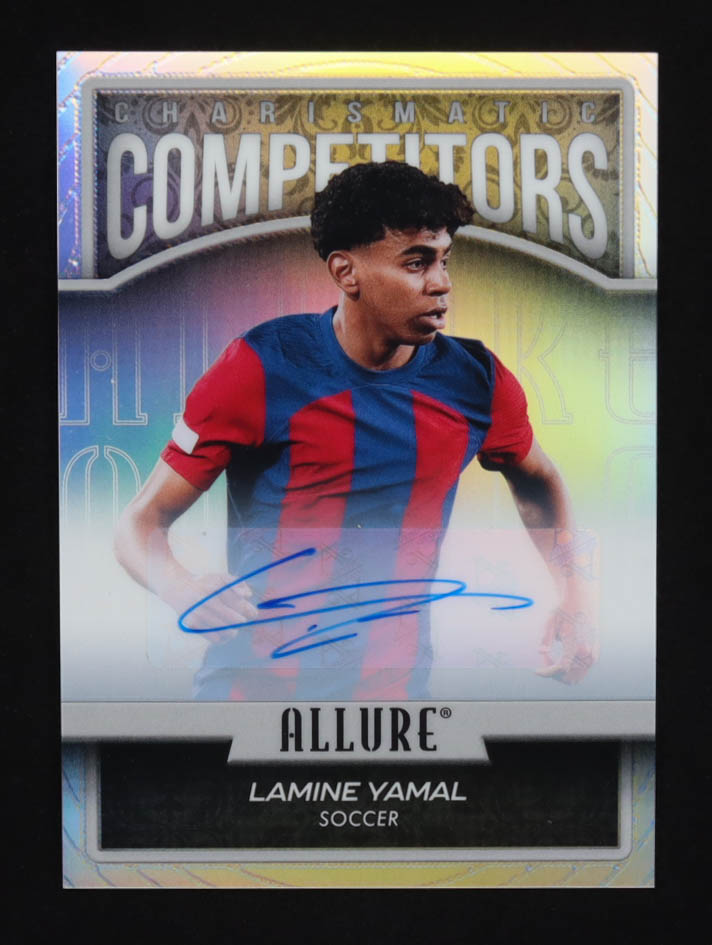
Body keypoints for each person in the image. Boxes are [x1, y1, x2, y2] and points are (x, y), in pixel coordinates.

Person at [115, 160, 596, 701]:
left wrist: (575, 598)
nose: (441, 283)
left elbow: (537, 481)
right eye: (416, 262)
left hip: (394, 708)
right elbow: (139, 523)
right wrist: (179, 586)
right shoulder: (261, 366)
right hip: (251, 699)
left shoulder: (476, 381)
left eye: (444, 260)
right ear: (346, 273)